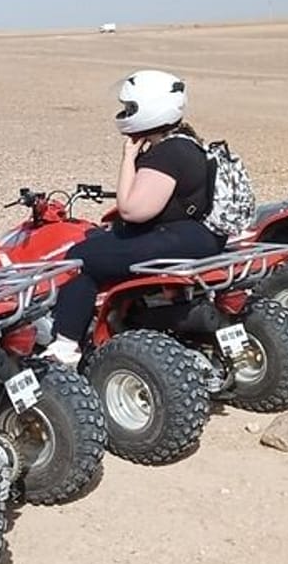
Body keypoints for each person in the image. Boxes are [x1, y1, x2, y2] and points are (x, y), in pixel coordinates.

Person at [41, 69, 227, 364]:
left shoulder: (167, 153)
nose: (125, 113)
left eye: (130, 108)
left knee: (79, 259)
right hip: (199, 237)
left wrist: (128, 157)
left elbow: (132, 210)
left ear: (150, 109)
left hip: (179, 238)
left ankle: (65, 345)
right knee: (101, 241)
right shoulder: (188, 143)